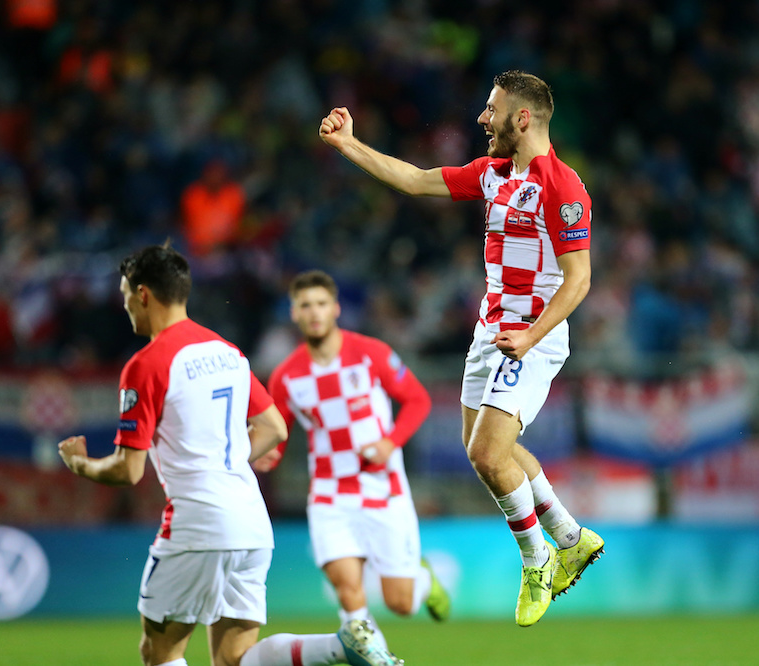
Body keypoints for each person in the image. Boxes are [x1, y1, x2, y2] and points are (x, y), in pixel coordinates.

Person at [318, 70, 604, 627]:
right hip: (490, 330)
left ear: (523, 117)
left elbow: (579, 280)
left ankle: (538, 559)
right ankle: (572, 537)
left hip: (532, 335)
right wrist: (348, 144)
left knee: (489, 454)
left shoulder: (563, 186)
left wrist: (531, 336)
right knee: (485, 450)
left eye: (492, 109)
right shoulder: (494, 173)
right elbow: (415, 180)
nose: (482, 118)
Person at [57, 244, 402, 666]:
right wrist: (231, 458)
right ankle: (339, 644)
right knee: (235, 658)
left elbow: (128, 470)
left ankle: (342, 644)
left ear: (143, 294)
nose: (125, 305)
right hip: (250, 521)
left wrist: (80, 463)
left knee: (160, 651)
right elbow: (274, 428)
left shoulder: (146, 365)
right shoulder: (227, 352)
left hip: (197, 523)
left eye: (126, 294)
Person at [257, 269, 450, 652]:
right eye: (305, 305)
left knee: (401, 604)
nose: (314, 312)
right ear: (294, 313)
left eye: (321, 304)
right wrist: (268, 457)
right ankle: (375, 657)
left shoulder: (370, 353)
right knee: (348, 590)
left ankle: (424, 581)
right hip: (329, 494)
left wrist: (390, 443)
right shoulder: (285, 377)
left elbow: (417, 399)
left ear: (336, 308)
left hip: (384, 489)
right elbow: (278, 435)